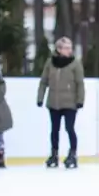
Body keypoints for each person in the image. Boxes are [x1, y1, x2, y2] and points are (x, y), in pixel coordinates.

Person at [37, 37, 85, 169]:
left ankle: (73, 154)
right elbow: (43, 81)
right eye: (66, 48)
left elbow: (80, 83)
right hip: (53, 102)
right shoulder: (50, 63)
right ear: (59, 49)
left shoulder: (75, 63)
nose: (69, 50)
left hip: (70, 103)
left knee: (69, 128)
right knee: (54, 130)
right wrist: (40, 98)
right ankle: (54, 154)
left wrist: (80, 100)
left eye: (70, 47)